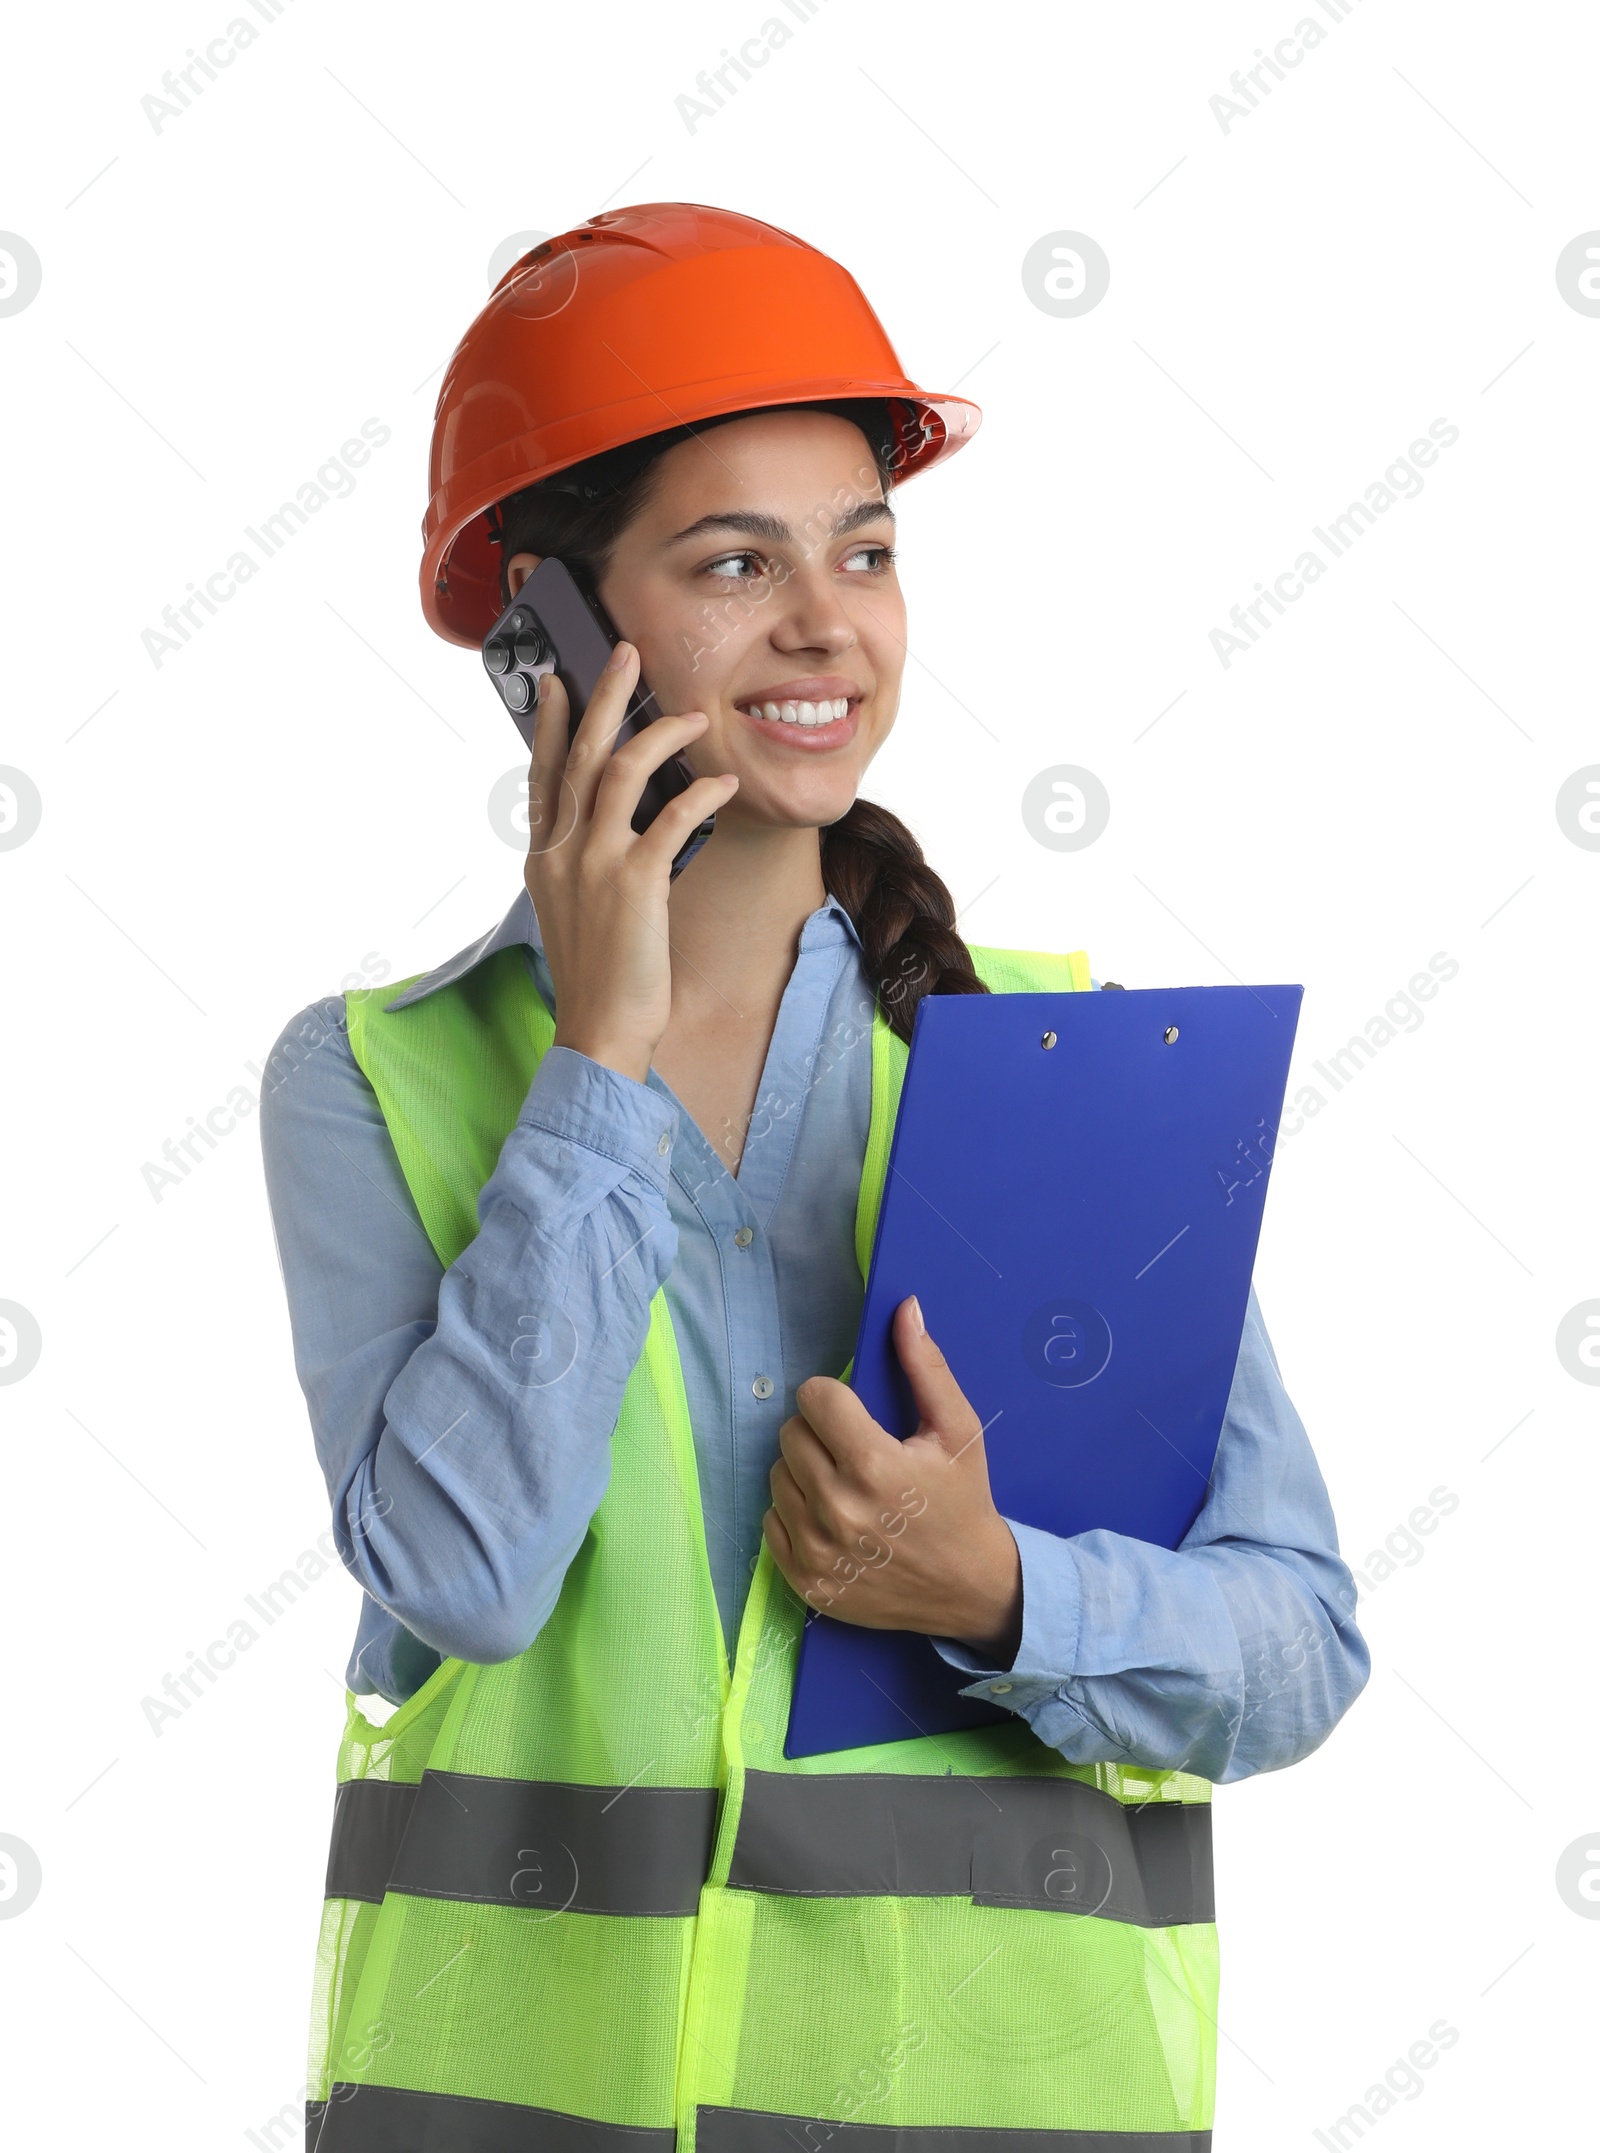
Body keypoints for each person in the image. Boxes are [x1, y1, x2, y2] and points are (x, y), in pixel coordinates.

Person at [261, 203, 1368, 2151]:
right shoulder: (385, 1082)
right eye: (729, 561)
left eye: (863, 552)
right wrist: (595, 1065)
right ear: (550, 634)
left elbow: (1294, 1646)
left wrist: (1000, 1590)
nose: (823, 625)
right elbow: (464, 1578)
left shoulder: (1058, 1067)